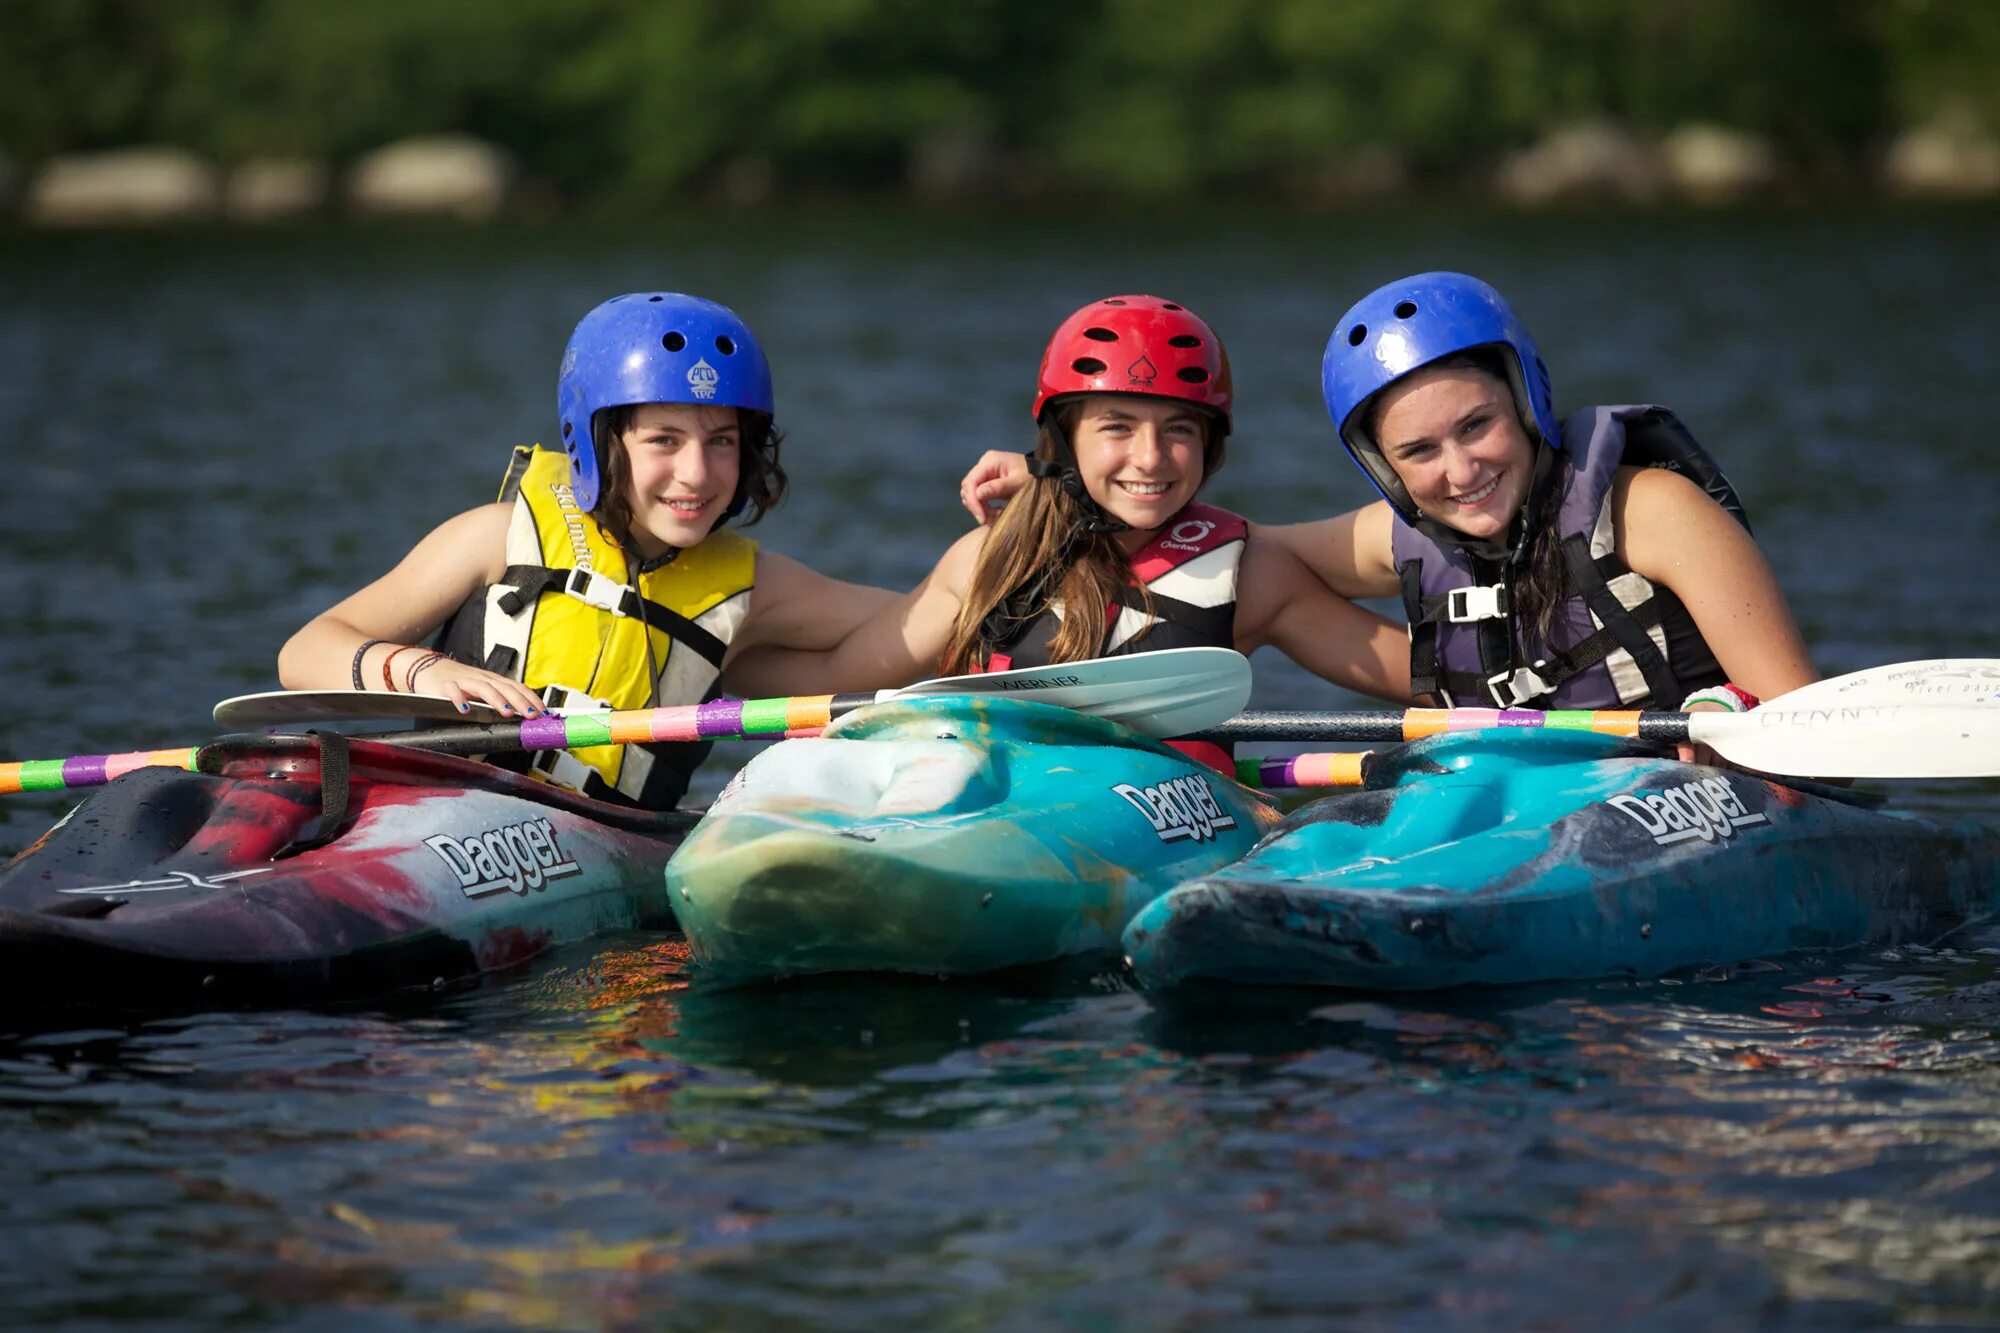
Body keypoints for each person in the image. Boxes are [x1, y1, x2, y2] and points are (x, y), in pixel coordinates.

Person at [961, 273, 1816, 722]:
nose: (1459, 469)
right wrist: (1061, 482)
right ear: (1385, 466)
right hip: (1529, 813)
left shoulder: (1654, 510)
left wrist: (1726, 738)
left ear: (1528, 405)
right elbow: (1220, 538)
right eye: (1418, 450)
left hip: (1692, 801)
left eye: (1478, 425)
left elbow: (1800, 725)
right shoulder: (1398, 537)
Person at [279, 292, 895, 809]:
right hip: (450, 814)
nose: (696, 473)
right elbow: (305, 651)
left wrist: (993, 541)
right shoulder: (496, 537)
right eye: (664, 439)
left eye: (722, 442)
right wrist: (424, 670)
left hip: (616, 843)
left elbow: (925, 623)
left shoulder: (753, 588)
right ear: (599, 444)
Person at [762, 295, 1411, 749]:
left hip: (1150, 834)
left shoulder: (1254, 574)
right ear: (1064, 441)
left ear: (1210, 447)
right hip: (988, 808)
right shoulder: (987, 557)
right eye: (1117, 428)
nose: (1151, 458)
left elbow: (1425, 678)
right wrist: (700, 664)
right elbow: (835, 679)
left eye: (1178, 431)